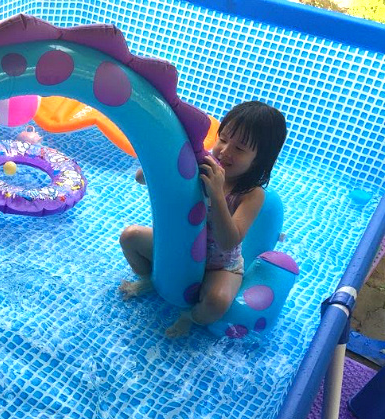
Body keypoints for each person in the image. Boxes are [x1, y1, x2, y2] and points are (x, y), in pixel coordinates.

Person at [118, 101, 287, 337]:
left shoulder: (251, 194)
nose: (225, 151)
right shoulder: (200, 165)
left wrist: (216, 193)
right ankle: (149, 279)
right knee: (129, 237)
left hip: (221, 264)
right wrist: (167, 161)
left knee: (217, 302)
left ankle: (189, 317)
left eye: (239, 149)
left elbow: (229, 240)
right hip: (181, 248)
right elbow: (140, 178)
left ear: (259, 160)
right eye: (223, 139)